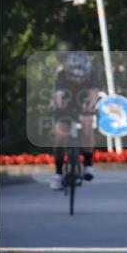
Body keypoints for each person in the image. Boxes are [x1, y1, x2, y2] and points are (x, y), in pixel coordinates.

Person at [49, 51, 101, 189]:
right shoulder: (61, 75)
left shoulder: (92, 75)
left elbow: (94, 94)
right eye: (74, 75)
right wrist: (60, 106)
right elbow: (58, 95)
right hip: (64, 106)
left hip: (83, 105)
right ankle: (58, 173)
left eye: (81, 75)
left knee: (87, 121)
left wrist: (90, 105)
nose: (78, 78)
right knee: (61, 135)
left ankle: (88, 164)